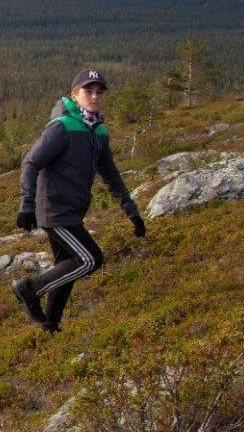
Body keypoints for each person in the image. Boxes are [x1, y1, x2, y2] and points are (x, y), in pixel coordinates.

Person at [11, 68, 146, 333]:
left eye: (99, 92)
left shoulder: (99, 132)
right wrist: (26, 204)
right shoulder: (62, 127)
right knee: (90, 259)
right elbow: (31, 162)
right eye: (88, 91)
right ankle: (30, 289)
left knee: (67, 267)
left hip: (73, 211)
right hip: (54, 210)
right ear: (74, 95)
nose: (94, 96)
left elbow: (111, 175)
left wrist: (132, 212)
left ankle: (51, 325)